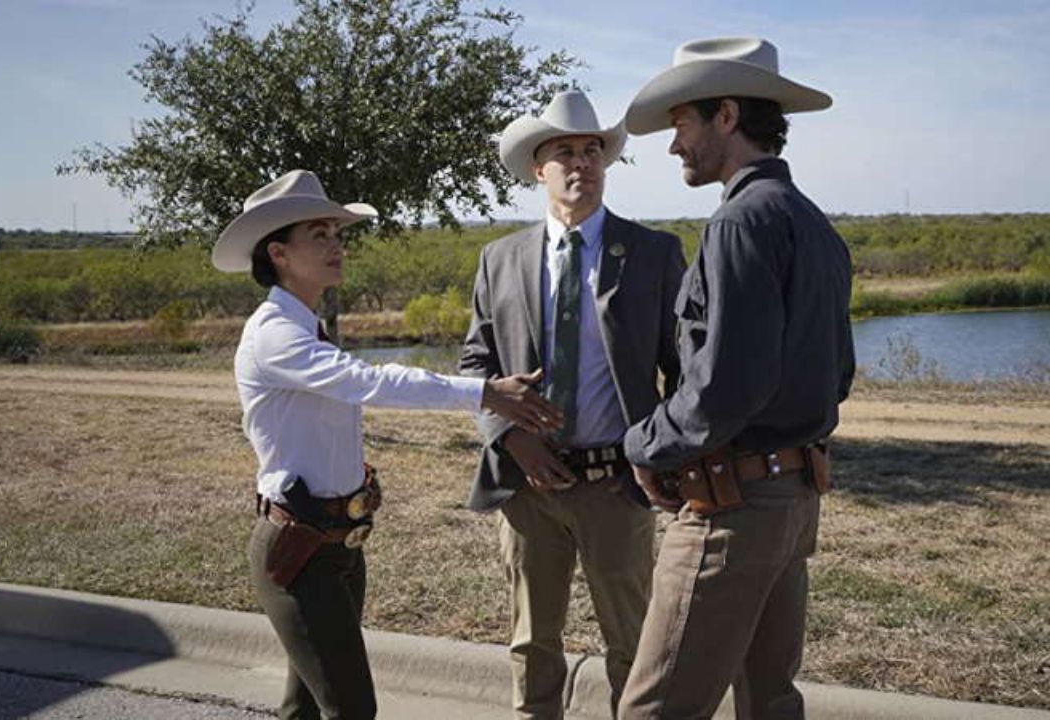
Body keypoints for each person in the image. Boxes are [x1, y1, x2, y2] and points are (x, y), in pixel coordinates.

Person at [211, 169, 562, 720]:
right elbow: (371, 382)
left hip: (335, 542)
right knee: (350, 709)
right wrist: (485, 392)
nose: (336, 246)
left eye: (337, 233)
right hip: (299, 550)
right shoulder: (275, 333)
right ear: (278, 253)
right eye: (319, 235)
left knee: (307, 706)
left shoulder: (304, 325)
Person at [615, 38, 855, 720]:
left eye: (680, 124)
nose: (672, 146)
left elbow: (724, 387)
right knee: (770, 702)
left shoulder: (740, 222)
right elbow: (837, 374)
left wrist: (644, 445)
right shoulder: (812, 224)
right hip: (793, 499)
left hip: (733, 509)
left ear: (725, 115)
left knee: (655, 709)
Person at [459, 90, 686, 719]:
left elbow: (682, 370)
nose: (582, 163)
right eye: (566, 152)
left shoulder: (652, 254)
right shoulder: (499, 258)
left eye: (593, 151)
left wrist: (653, 454)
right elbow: (475, 366)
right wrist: (508, 437)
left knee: (634, 647)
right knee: (532, 643)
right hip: (528, 488)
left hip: (617, 483)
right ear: (539, 167)